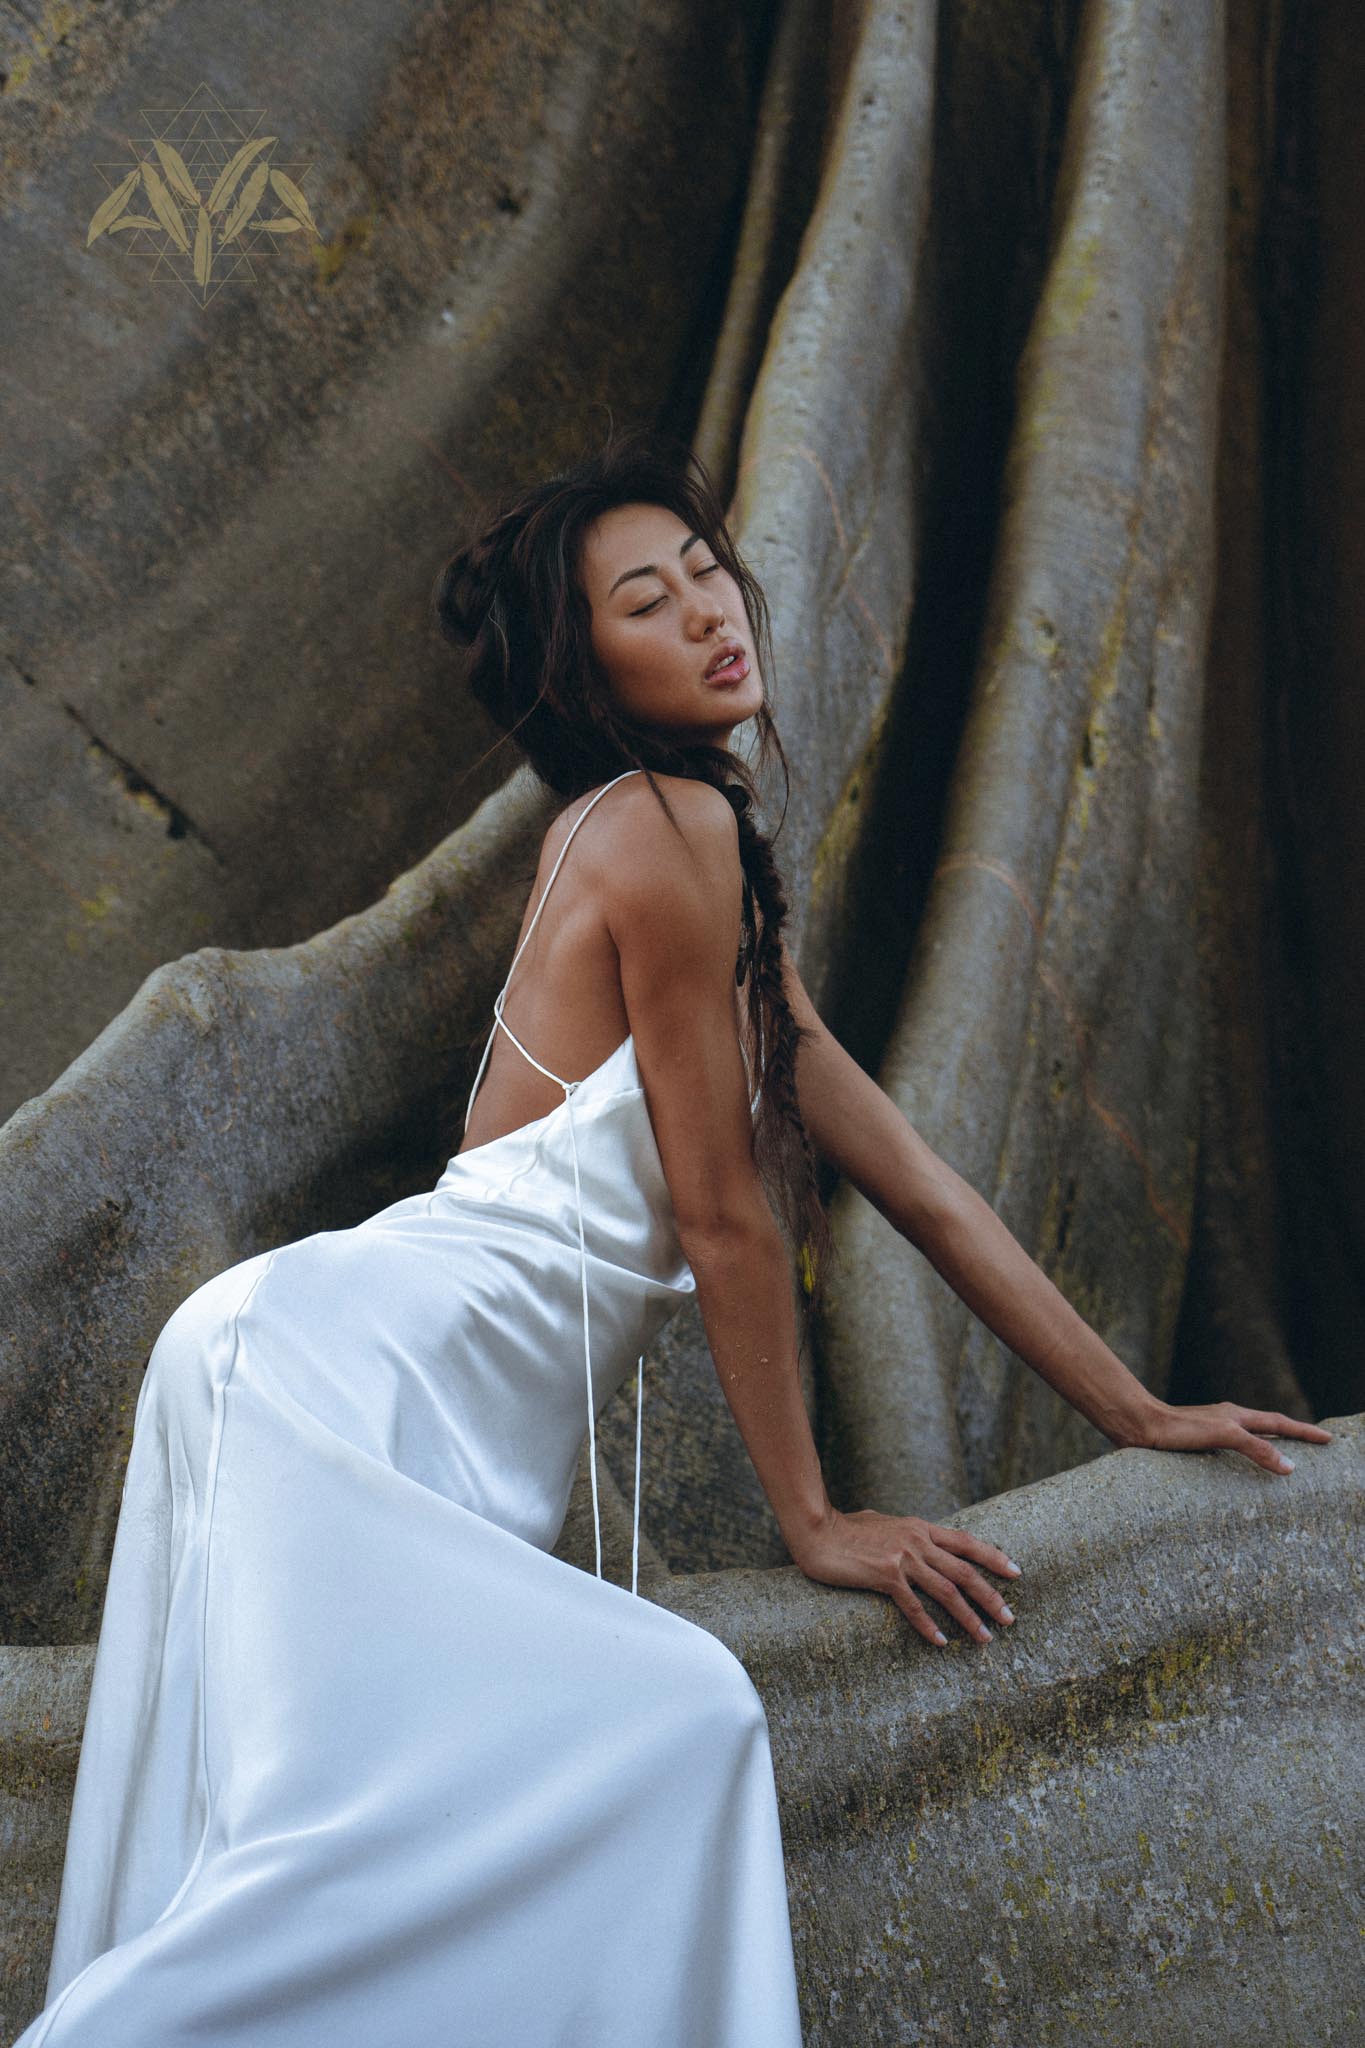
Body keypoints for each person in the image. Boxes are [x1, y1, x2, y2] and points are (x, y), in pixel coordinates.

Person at [15, 428, 1331, 2048]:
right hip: (329, 1380)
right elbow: (719, 1212)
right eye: (649, 601)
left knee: (432, 1806)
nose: (711, 610)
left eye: (708, 569)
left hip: (324, 1373)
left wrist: (1133, 1410)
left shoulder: (708, 899)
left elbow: (919, 1187)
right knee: (554, 1762)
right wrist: (815, 1518)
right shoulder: (654, 831)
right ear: (590, 672)